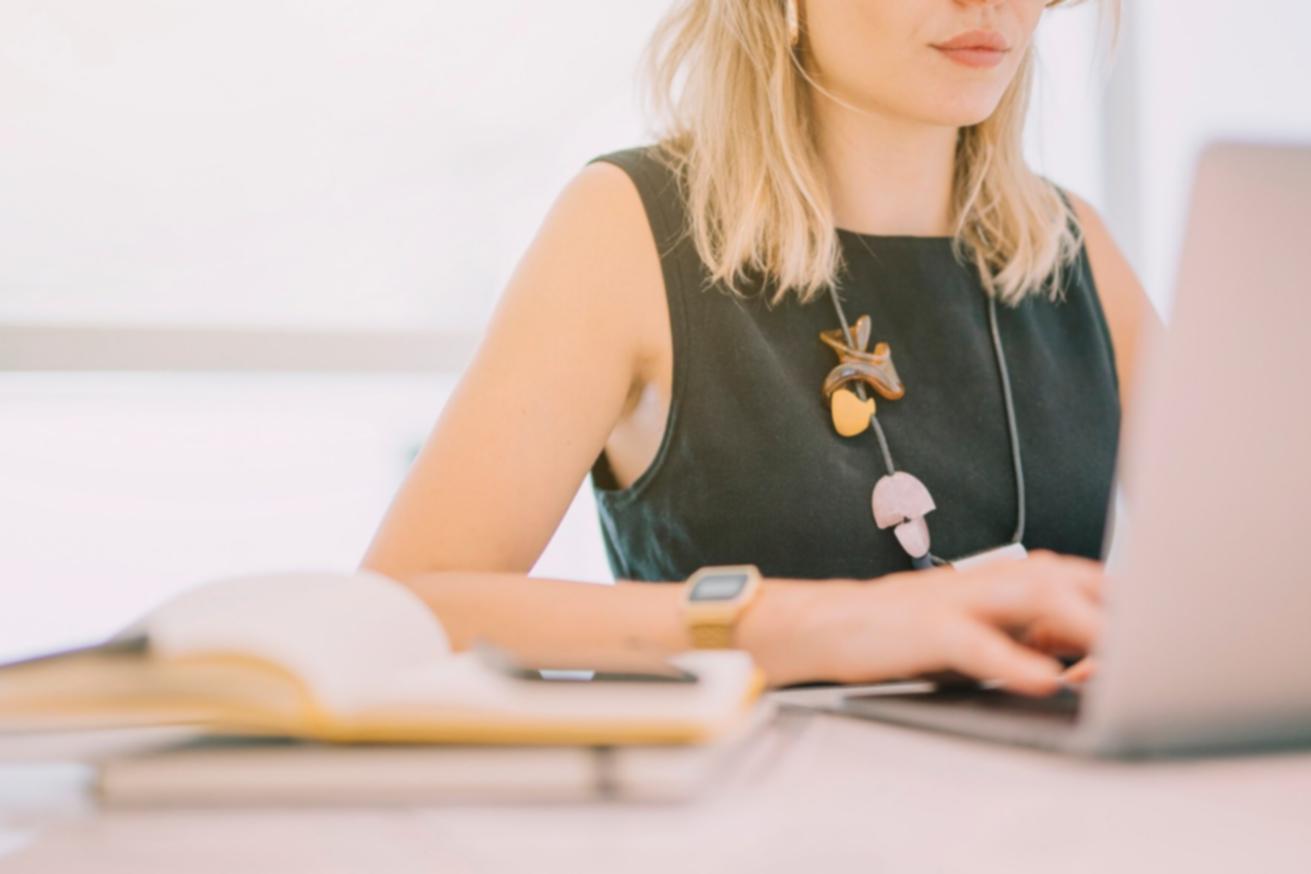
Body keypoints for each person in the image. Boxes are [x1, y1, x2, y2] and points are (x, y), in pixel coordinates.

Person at [360, 0, 1160, 694]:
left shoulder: (1075, 248)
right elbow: (395, 613)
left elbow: (1233, 580)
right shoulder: (628, 228)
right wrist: (823, 623)